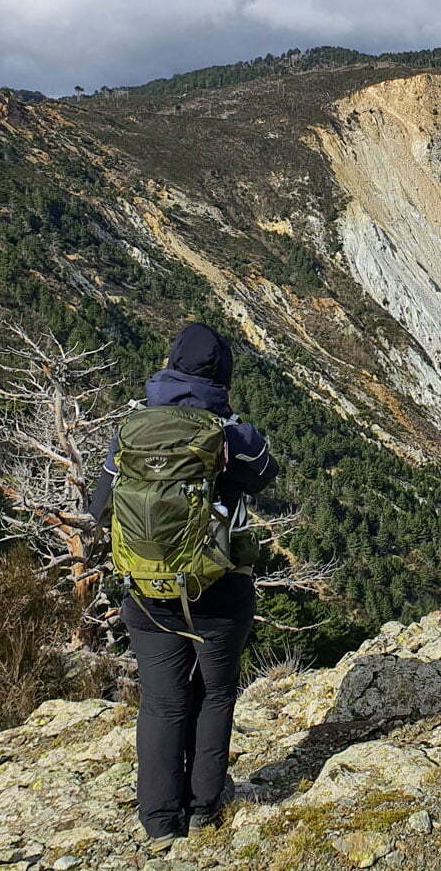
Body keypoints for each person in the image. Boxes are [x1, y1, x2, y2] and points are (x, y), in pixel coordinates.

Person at [90, 323, 278, 849]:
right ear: (224, 375)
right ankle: (204, 809)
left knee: (162, 703)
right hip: (218, 591)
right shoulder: (233, 437)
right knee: (215, 694)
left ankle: (157, 819)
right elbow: (266, 472)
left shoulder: (131, 430)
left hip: (148, 594)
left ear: (170, 363)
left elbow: (99, 506)